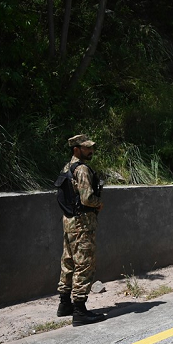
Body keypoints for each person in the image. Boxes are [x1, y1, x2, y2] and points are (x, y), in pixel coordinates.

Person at [57, 134, 107, 326]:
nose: (91, 151)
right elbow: (87, 198)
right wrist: (99, 204)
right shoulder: (83, 169)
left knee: (68, 261)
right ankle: (79, 310)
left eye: (91, 148)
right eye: (87, 148)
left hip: (69, 221)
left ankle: (64, 304)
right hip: (83, 223)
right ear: (76, 149)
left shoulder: (67, 168)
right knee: (84, 264)